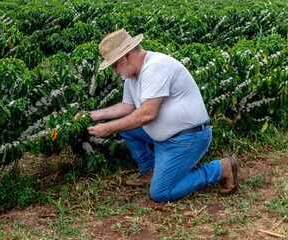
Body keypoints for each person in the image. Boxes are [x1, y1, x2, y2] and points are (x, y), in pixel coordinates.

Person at [83, 29, 238, 203]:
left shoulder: (154, 67)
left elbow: (148, 114)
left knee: (161, 193)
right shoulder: (132, 74)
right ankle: (150, 170)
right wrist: (91, 115)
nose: (113, 70)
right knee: (125, 128)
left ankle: (220, 169)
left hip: (188, 138)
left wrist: (108, 128)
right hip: (166, 136)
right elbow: (127, 107)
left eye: (114, 64)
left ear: (127, 56)